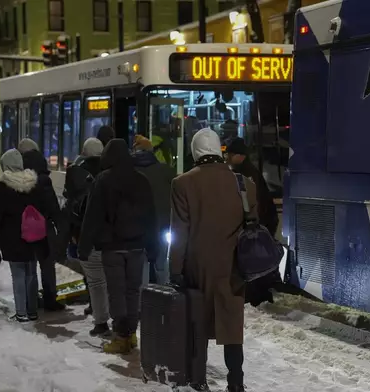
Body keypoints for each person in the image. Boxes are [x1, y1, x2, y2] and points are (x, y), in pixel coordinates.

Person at [169, 129, 257, 392]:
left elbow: (180, 231)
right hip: (233, 268)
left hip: (197, 267)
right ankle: (236, 381)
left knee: (198, 324)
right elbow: (252, 226)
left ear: (195, 151)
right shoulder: (244, 184)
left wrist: (175, 269)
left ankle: (198, 379)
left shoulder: (182, 183)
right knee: (232, 327)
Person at [78, 138, 156, 354]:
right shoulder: (141, 180)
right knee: (133, 291)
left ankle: (121, 336)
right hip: (137, 246)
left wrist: (84, 247)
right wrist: (153, 247)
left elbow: (92, 216)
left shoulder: (103, 180)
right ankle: (131, 334)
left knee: (116, 292)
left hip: (112, 247)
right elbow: (151, 217)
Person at [0, 149, 46, 322]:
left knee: (18, 274)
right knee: (31, 273)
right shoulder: (33, 182)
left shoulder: (4, 187)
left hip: (12, 237)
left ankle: (21, 312)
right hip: (33, 236)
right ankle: (32, 310)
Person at [63, 137, 110, 336]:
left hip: (84, 231)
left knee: (94, 279)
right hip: (108, 233)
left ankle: (99, 316)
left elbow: (69, 200)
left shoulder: (75, 171)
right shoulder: (110, 172)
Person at [20, 139, 65, 311]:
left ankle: (30, 300)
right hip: (44, 228)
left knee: (29, 265)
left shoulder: (21, 180)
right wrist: (59, 225)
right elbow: (53, 206)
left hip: (25, 228)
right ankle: (49, 299)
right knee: (47, 264)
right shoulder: (44, 180)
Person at [131, 135, 175, 285]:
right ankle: (164, 297)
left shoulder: (129, 171)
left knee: (141, 264)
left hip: (138, 227)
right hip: (163, 226)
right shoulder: (166, 170)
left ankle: (141, 302)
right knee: (162, 263)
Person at [225, 137, 279, 237]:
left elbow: (253, 205)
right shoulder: (250, 171)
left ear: (241, 156)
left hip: (255, 229)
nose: (228, 159)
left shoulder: (246, 176)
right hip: (261, 227)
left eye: (230, 155)